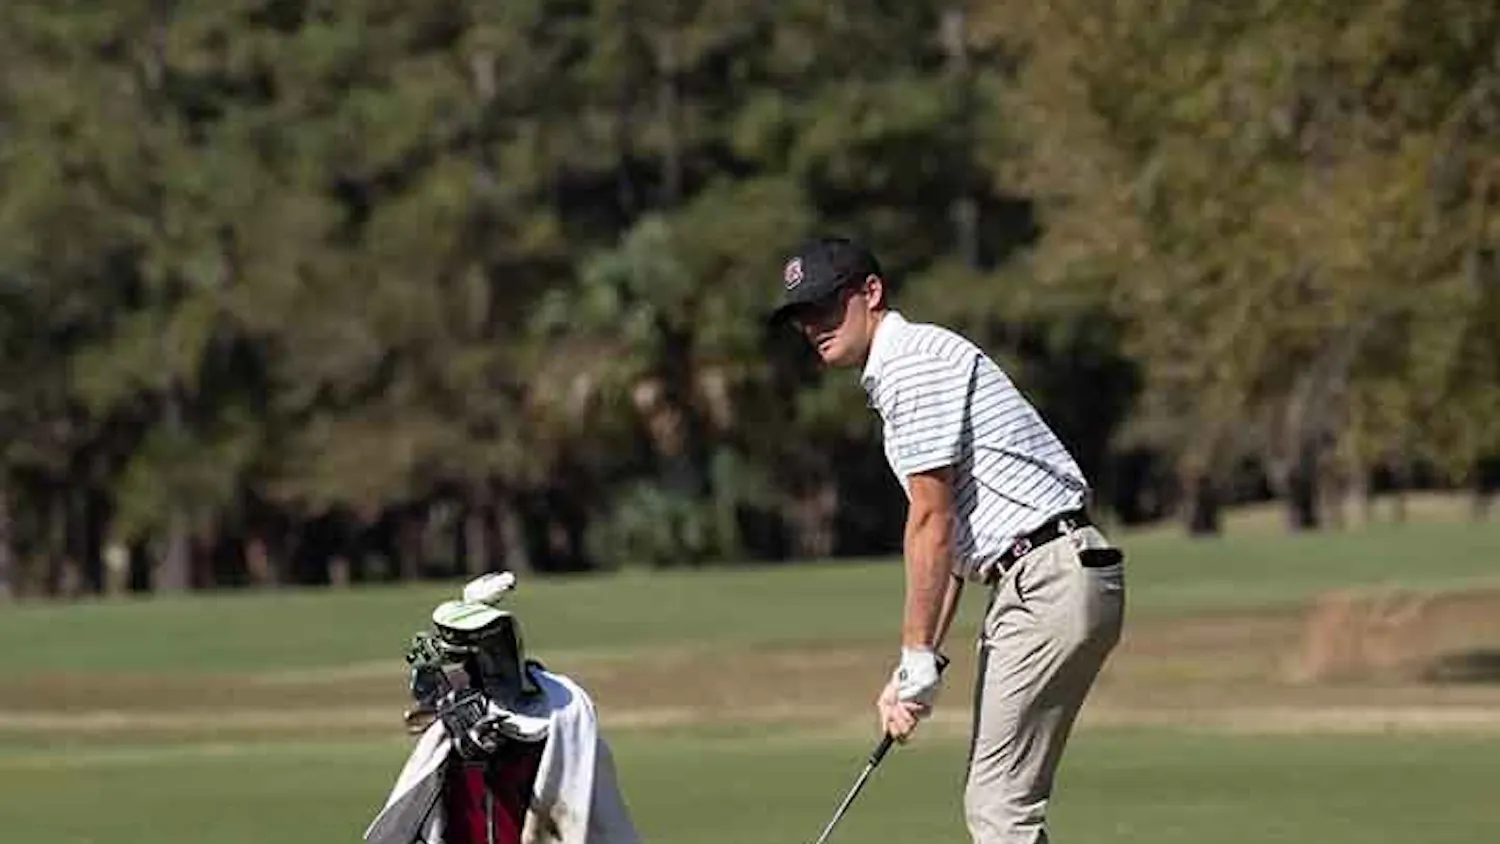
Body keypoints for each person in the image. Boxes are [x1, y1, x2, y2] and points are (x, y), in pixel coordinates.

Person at [769, 237, 1126, 844]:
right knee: (1003, 802)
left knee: (999, 809)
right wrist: (919, 664)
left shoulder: (911, 363)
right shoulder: (905, 367)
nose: (814, 326)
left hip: (1045, 578)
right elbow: (955, 543)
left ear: (871, 294)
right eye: (803, 316)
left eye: (826, 307)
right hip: (1057, 574)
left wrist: (914, 657)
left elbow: (929, 523)